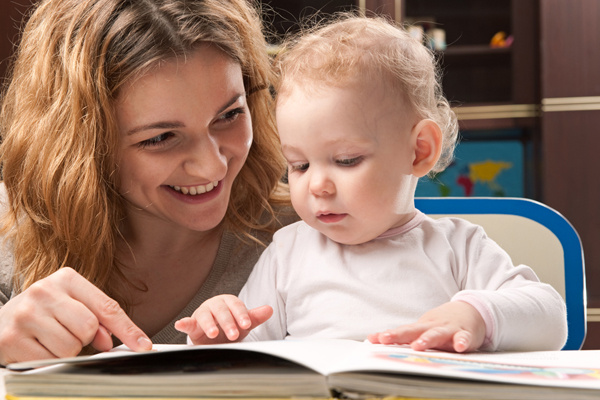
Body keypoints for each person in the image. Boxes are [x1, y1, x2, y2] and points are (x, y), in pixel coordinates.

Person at [177, 15, 568, 353]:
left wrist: (476, 316)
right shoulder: (288, 252)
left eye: (346, 160)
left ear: (418, 151)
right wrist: (218, 332)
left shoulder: (458, 248)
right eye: (298, 165)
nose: (318, 186)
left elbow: (550, 317)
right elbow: (248, 354)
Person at [0, 0, 294, 365]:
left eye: (230, 115)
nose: (211, 166)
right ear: (81, 145)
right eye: (160, 138)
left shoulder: (313, 233)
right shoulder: (8, 229)